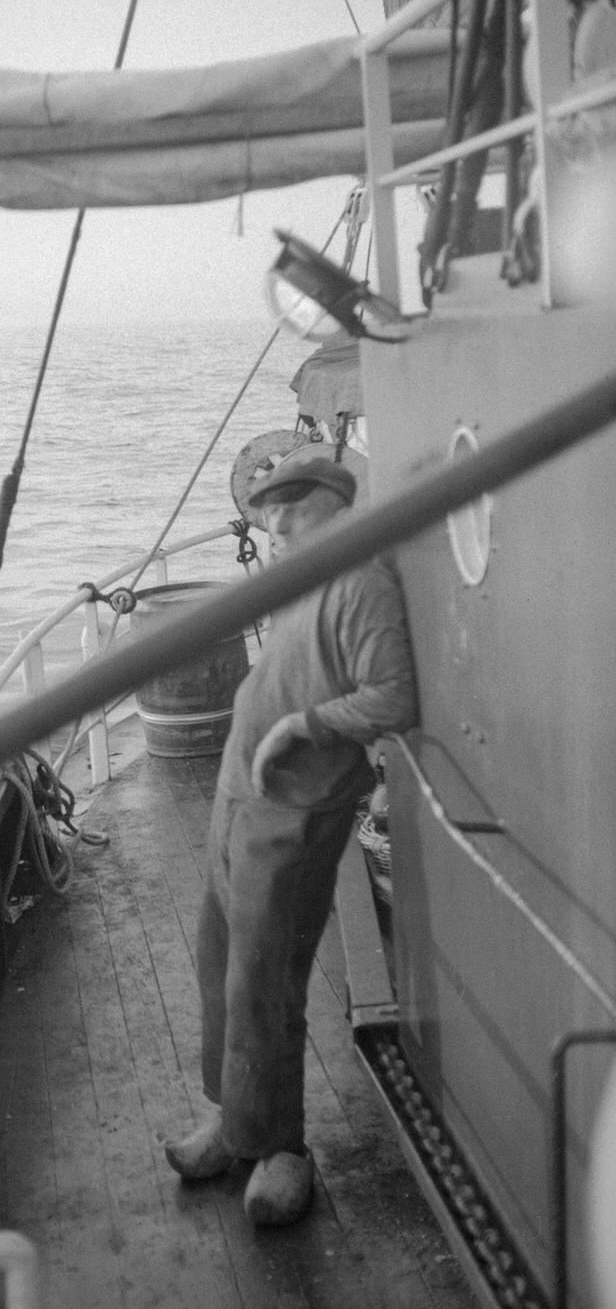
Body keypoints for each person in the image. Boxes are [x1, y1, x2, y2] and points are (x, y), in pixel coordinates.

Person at [163, 455, 417, 1226]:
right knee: (219, 964)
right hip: (239, 797)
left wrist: (304, 726)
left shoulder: (360, 584)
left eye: (288, 506)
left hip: (298, 810)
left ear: (335, 505)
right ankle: (231, 1121)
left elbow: (395, 695)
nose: (271, 522)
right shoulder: (301, 575)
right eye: (265, 508)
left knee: (265, 982)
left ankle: (281, 1150)